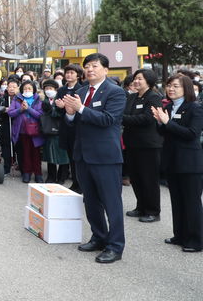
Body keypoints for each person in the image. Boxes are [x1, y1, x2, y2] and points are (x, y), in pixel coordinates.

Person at [62, 53, 126, 264]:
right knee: (90, 201)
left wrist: (80, 108)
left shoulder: (115, 92)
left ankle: (115, 246)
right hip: (83, 155)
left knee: (111, 203)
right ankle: (99, 236)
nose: (90, 70)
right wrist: (70, 113)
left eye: (95, 66)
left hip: (105, 157)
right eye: (87, 66)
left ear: (106, 70)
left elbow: (108, 120)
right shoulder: (81, 91)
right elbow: (74, 122)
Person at [152, 74, 203, 252]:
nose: (171, 89)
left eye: (175, 86)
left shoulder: (194, 108)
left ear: (186, 89)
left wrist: (167, 122)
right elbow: (167, 133)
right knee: (177, 200)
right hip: (172, 161)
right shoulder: (169, 107)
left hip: (190, 163)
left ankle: (196, 240)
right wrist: (160, 122)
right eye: (169, 85)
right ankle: (180, 235)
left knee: (191, 202)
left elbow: (191, 134)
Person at [122, 69, 164, 223]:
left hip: (148, 145)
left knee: (149, 179)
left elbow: (147, 119)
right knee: (136, 177)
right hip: (132, 144)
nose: (136, 81)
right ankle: (141, 207)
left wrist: (123, 119)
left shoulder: (154, 98)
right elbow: (128, 114)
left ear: (149, 81)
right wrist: (127, 118)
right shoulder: (132, 97)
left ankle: (153, 210)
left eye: (140, 78)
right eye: (135, 78)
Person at [55, 64, 84, 191]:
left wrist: (72, 109)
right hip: (65, 127)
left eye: (72, 72)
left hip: (78, 128)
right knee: (71, 156)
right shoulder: (61, 90)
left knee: (79, 158)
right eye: (67, 72)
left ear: (78, 75)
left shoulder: (82, 89)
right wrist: (60, 107)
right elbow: (57, 110)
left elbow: (84, 110)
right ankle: (75, 183)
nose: (69, 75)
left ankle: (80, 183)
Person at [8, 80, 45, 183]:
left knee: (36, 153)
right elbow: (11, 113)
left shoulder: (38, 100)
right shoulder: (17, 99)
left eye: (29, 88)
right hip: (22, 130)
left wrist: (28, 109)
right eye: (25, 88)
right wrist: (20, 110)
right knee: (25, 153)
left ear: (33, 90)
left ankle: (38, 174)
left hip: (35, 130)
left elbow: (40, 115)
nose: (27, 90)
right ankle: (27, 173)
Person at [40, 79, 69, 183]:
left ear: (56, 90)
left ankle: (62, 177)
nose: (48, 90)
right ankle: (51, 176)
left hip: (61, 130)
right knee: (50, 155)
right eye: (46, 88)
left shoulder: (61, 99)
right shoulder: (44, 101)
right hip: (49, 131)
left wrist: (54, 110)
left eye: (50, 88)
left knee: (63, 156)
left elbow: (62, 114)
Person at [0, 77, 19, 175]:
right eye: (10, 87)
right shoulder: (2, 98)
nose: (12, 89)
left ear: (18, 88)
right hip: (6, 125)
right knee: (6, 147)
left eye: (14, 87)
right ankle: (7, 167)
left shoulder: (20, 99)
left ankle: (19, 165)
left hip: (18, 125)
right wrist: (4, 110)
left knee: (18, 147)